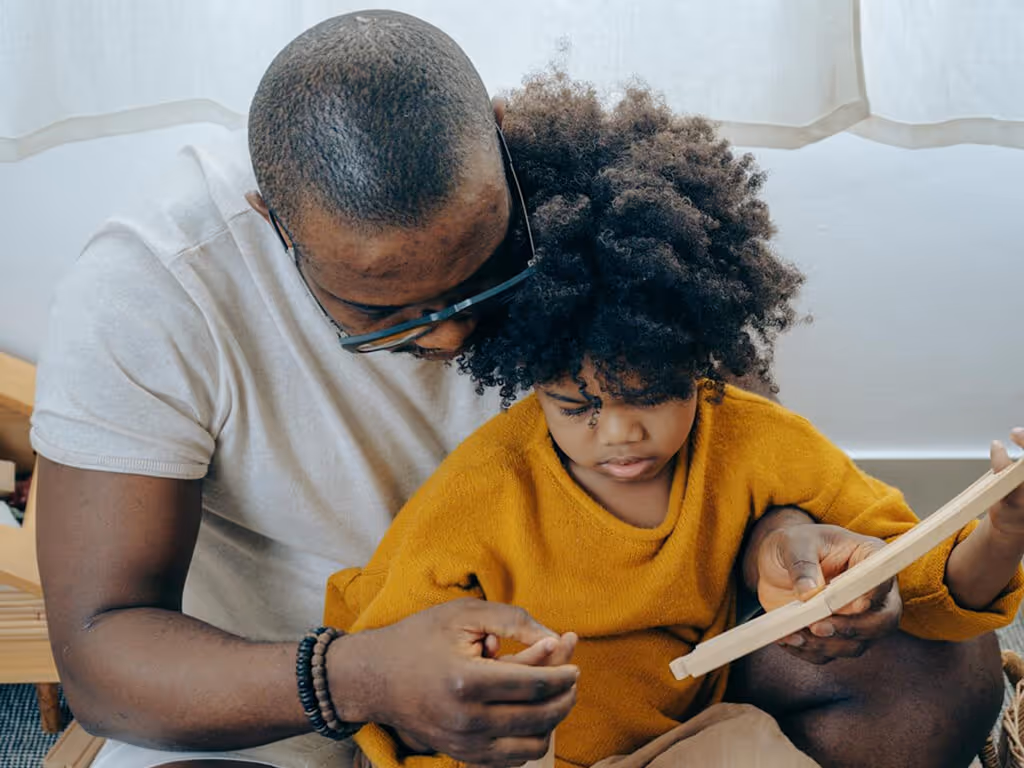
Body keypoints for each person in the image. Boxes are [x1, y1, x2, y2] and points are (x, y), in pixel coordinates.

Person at [27, 11, 1010, 768]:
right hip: (295, 700)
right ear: (269, 220)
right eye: (387, 314)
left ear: (499, 146)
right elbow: (102, 649)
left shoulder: (595, 202)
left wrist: (781, 545)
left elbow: (730, 446)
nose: (455, 335)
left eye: (479, 273)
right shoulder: (156, 288)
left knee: (934, 674)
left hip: (641, 667)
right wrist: (356, 674)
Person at [322, 73, 1024, 768]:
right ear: (528, 376)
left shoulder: (754, 440)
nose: (620, 433)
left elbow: (919, 576)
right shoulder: (483, 485)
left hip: (692, 737)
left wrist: (1003, 530)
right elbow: (388, 656)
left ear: (699, 358)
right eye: (578, 408)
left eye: (651, 393)